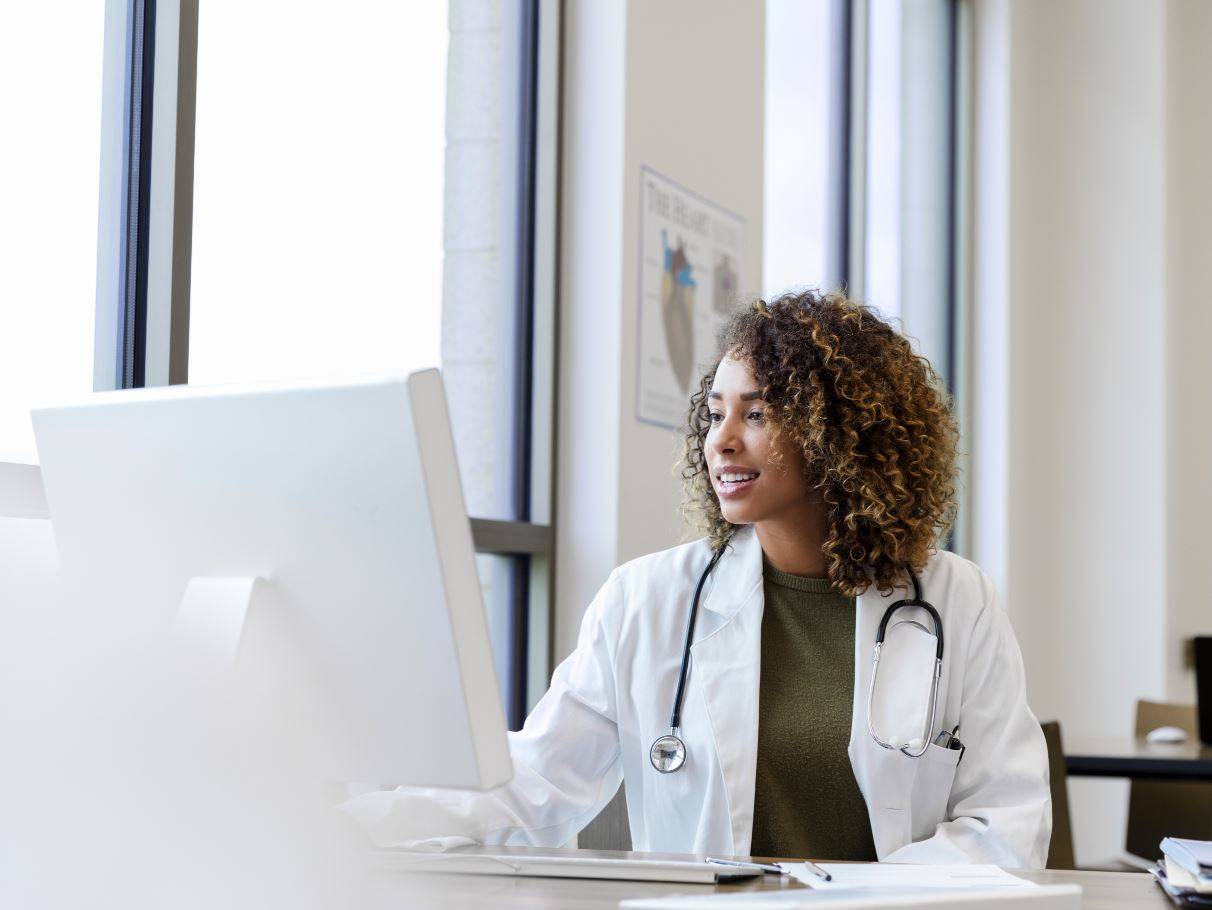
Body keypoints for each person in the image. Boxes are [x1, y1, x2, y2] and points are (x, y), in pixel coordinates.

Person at [345, 290, 1051, 866]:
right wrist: (358, 817)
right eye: (715, 413)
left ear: (839, 435)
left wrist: (853, 897)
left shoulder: (956, 602)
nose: (722, 440)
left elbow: (1006, 823)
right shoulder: (646, 600)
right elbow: (533, 786)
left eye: (758, 414)